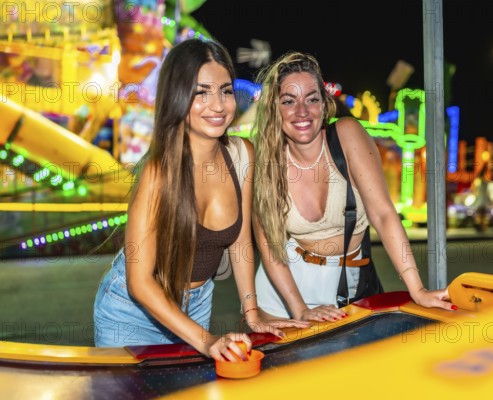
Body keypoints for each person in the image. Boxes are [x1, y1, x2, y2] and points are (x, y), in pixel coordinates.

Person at [93, 39, 304, 361]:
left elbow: (241, 243)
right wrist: (206, 341)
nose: (218, 105)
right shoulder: (157, 171)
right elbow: (139, 281)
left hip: (198, 302)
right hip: (131, 312)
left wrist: (252, 311)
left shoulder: (242, 155)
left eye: (226, 90)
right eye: (201, 92)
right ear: (178, 96)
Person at [251, 51, 456, 322]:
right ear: (274, 109)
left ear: (324, 105)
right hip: (284, 292)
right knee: (290, 365)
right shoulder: (265, 162)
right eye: (289, 101)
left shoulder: (347, 135)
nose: (302, 111)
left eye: (311, 99)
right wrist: (300, 309)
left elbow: (383, 215)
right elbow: (270, 249)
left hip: (350, 280)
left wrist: (416, 289)